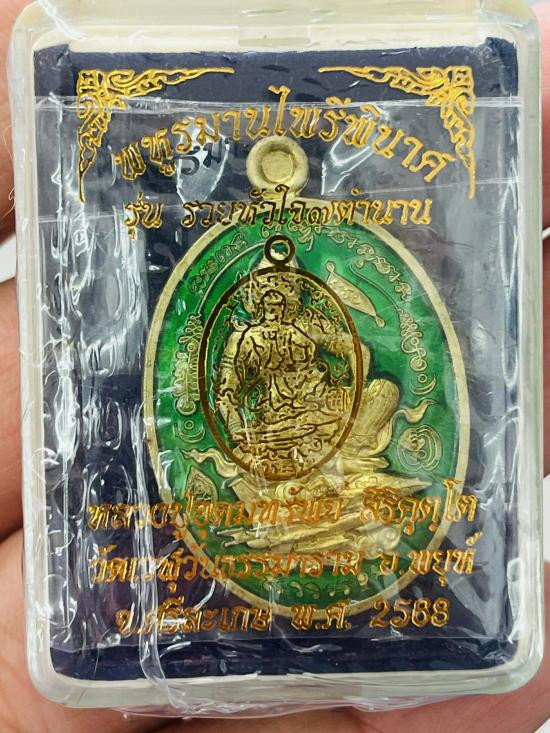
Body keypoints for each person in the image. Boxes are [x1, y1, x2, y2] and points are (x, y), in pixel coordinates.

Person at [1, 2, 550, 731]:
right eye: (269, 303)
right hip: (269, 438)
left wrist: (328, 375)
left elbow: (347, 364)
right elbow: (227, 391)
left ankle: (344, 489)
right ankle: (297, 501)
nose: (278, 309)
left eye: (283, 301)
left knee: (382, 391)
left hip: (320, 419)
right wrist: (249, 408)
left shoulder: (307, 319)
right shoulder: (247, 339)